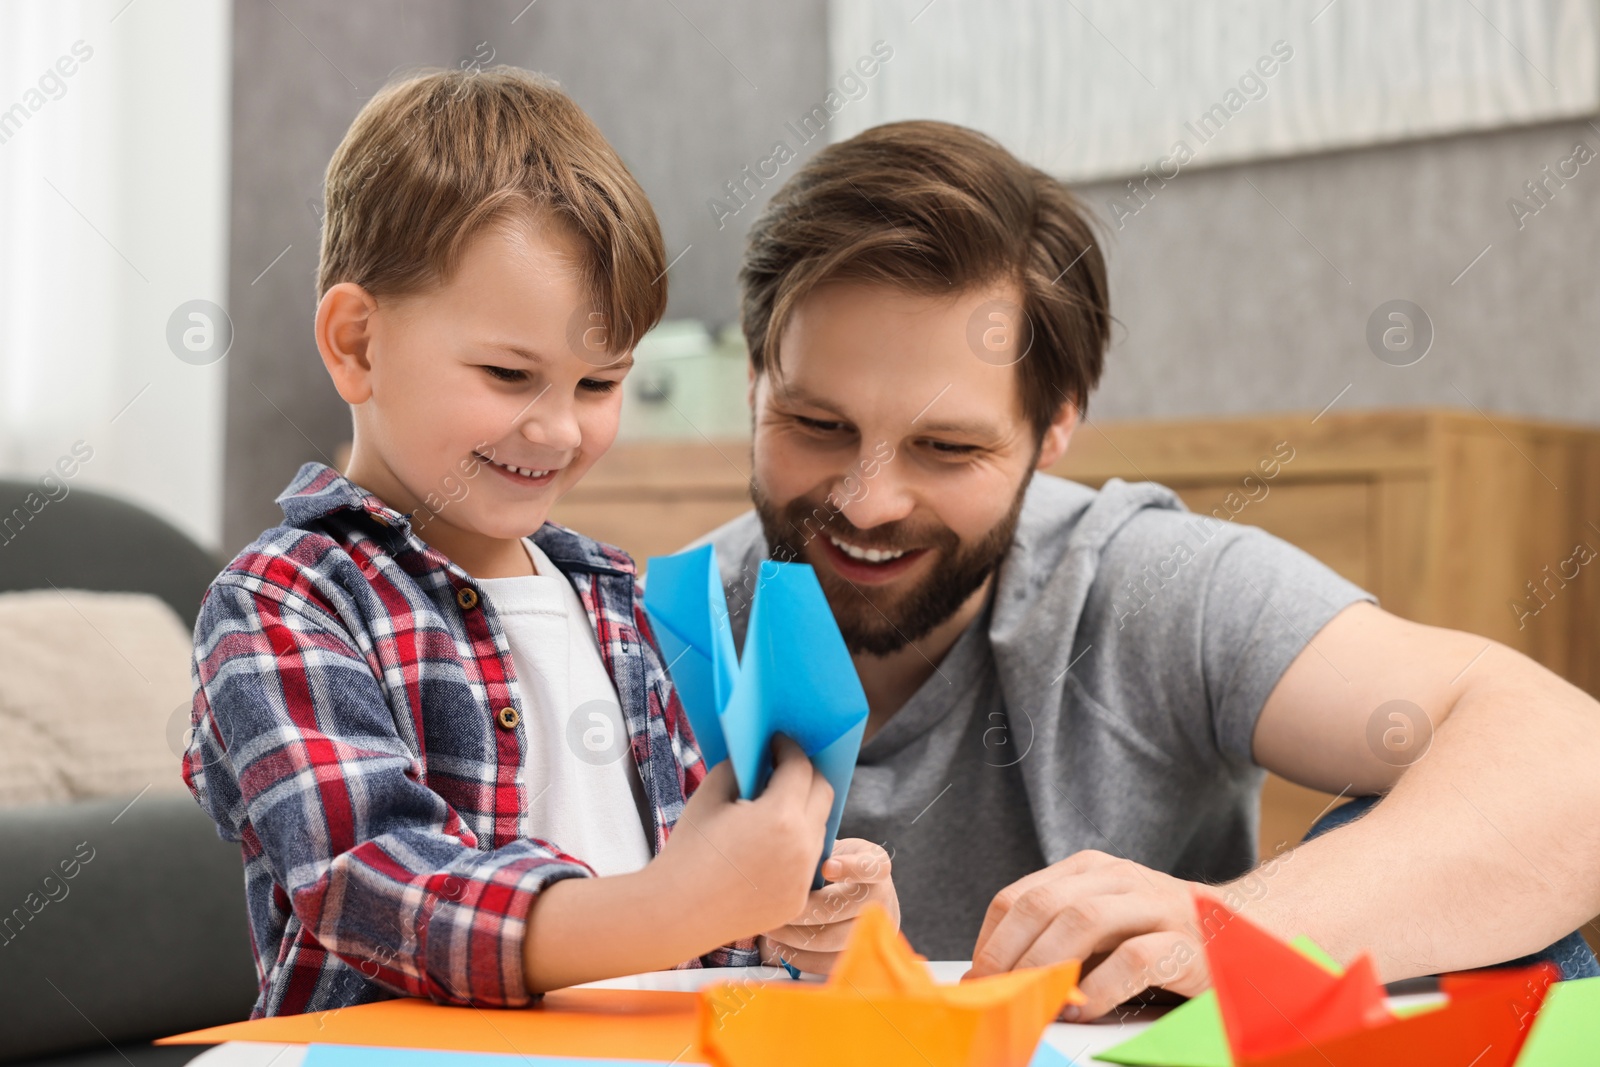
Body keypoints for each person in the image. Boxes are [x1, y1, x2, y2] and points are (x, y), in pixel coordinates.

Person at [698, 119, 1600, 1018]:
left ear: (1056, 425)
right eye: (818, 426)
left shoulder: (1147, 583)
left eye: (945, 446)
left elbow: (1571, 764)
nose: (868, 502)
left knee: (1510, 943)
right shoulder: (654, 626)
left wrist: (1231, 923)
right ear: (753, 384)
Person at [182, 66, 895, 1019]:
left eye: (599, 386)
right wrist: (673, 902)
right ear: (357, 344)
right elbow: (378, 886)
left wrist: (797, 913)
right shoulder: (284, 601)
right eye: (511, 373)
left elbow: (689, 902)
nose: (559, 430)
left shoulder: (608, 598)